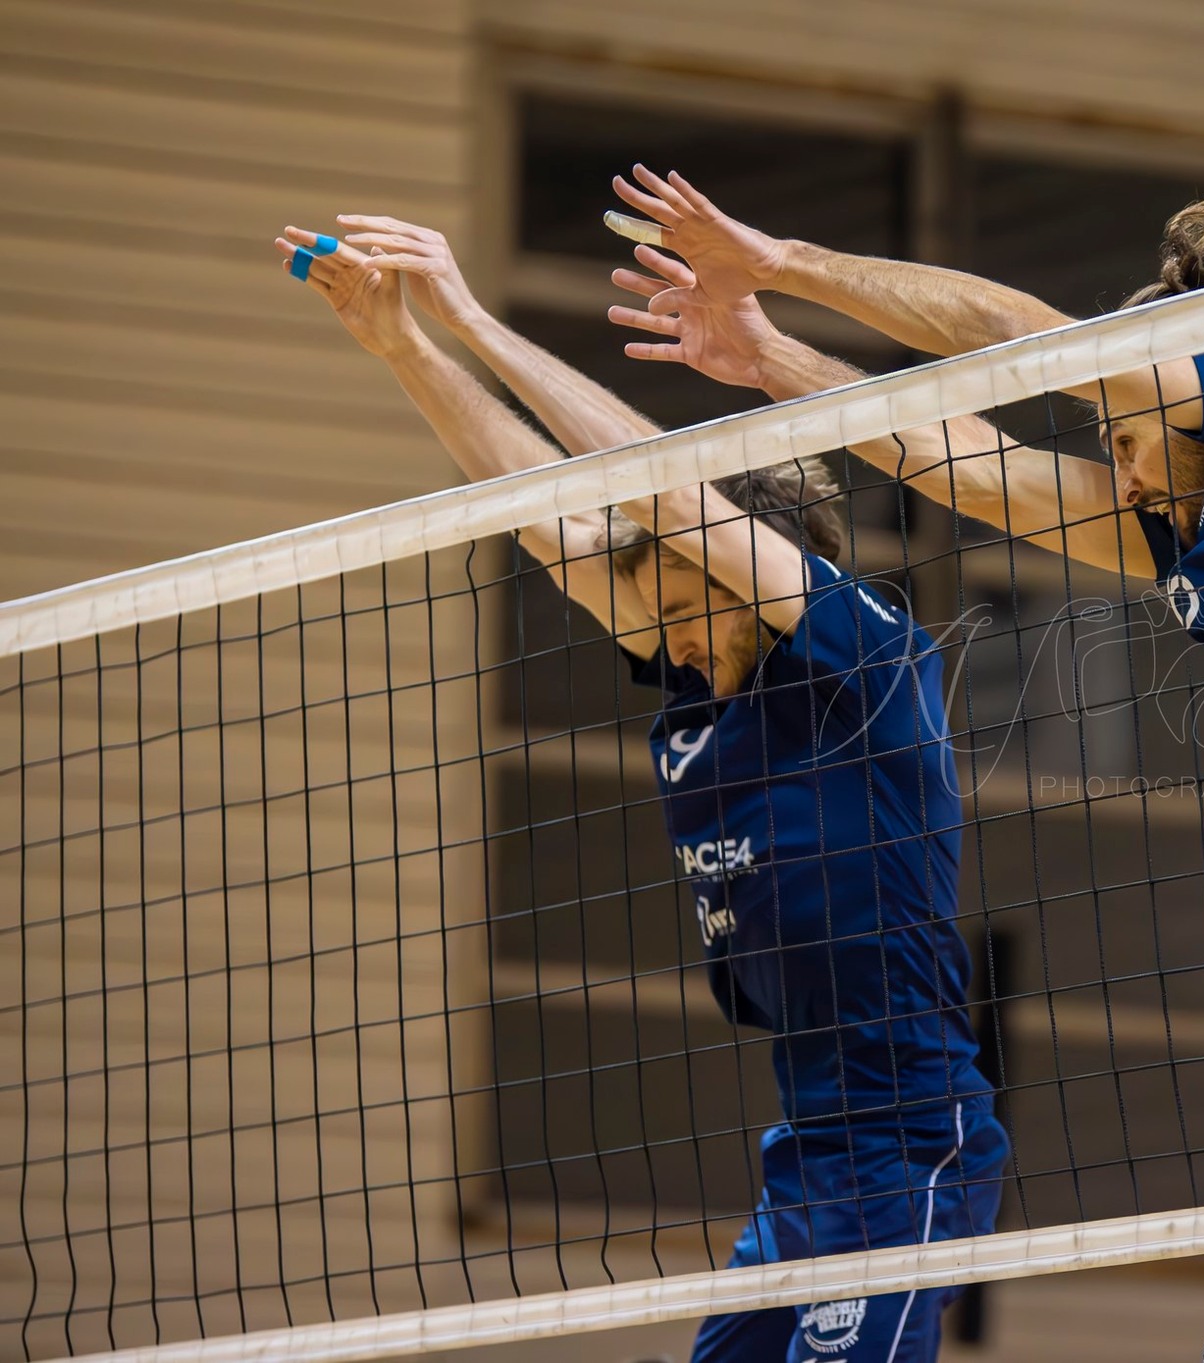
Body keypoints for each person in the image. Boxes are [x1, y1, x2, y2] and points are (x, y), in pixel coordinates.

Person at [606, 167, 1204, 1363]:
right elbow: (973, 470)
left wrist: (781, 261)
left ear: (1192, 385)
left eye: (1124, 437)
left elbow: (1018, 336)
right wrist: (767, 360)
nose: (1120, 474)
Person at [273, 218, 1006, 1363]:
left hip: (909, 1144)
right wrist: (406, 347)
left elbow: (664, 493)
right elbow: (540, 515)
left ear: (751, 564)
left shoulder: (861, 660)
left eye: (678, 608)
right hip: (810, 1153)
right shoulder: (700, 684)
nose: (666, 638)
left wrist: (470, 318)